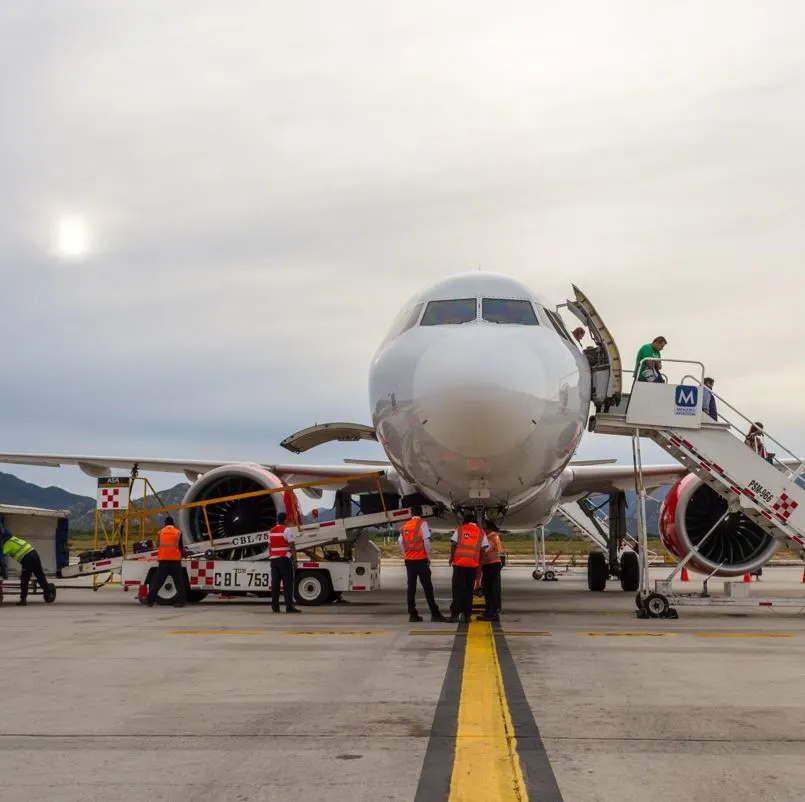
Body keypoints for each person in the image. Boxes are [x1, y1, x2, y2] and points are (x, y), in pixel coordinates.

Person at [398, 508, 446, 623]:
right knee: (427, 587)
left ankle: (412, 614)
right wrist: (428, 557)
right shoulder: (422, 524)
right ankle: (435, 614)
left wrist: (406, 554)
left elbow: (400, 541)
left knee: (411, 588)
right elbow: (426, 541)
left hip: (409, 561)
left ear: (411, 514)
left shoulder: (405, 526)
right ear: (422, 514)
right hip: (421, 559)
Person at [447, 512, 489, 623]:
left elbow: (453, 544)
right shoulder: (481, 532)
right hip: (472, 565)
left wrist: (452, 557)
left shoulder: (460, 529)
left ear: (465, 521)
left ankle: (455, 615)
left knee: (457, 590)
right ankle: (467, 616)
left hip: (459, 564)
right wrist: (480, 563)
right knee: (468, 591)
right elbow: (483, 549)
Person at [0, 527, 54, 606]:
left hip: (27, 558)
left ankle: (23, 600)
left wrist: (3, 573)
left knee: (25, 580)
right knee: (39, 574)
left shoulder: (6, 546)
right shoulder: (14, 539)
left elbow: (2, 560)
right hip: (34, 553)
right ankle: (48, 591)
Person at [147, 516, 187, 608]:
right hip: (175, 561)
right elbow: (180, 547)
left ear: (165, 524)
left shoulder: (160, 532)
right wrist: (183, 553)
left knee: (158, 582)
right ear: (173, 523)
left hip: (163, 560)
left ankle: (150, 601)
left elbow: (158, 545)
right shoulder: (178, 532)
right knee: (179, 582)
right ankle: (181, 602)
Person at [268, 512, 301, 613]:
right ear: (285, 520)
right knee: (288, 584)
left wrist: (271, 557)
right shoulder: (287, 530)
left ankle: (275, 607)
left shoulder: (271, 531)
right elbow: (292, 546)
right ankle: (289, 607)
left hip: (274, 560)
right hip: (284, 560)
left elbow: (270, 546)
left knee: (275, 584)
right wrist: (295, 560)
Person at [478, 522, 503, 621]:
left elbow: (485, 549)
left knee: (491, 590)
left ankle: (493, 613)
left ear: (489, 529)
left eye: (484, 528)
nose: (483, 530)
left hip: (491, 565)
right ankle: (489, 610)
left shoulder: (491, 538)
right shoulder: (494, 536)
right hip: (491, 565)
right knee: (488, 590)